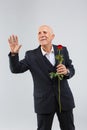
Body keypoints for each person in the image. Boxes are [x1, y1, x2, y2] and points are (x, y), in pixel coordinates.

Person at [8, 25, 75, 130]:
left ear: (52, 36)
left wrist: (67, 71)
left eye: (45, 32)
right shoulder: (31, 55)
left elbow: (71, 68)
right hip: (44, 102)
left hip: (64, 100)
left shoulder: (62, 50)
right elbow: (16, 69)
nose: (42, 35)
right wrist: (13, 54)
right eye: (39, 33)